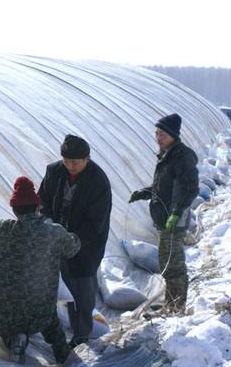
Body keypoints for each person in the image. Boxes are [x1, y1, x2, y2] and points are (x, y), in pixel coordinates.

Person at [0, 176, 81, 364]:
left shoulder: (6, 229)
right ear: (38, 207)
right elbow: (73, 247)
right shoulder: (54, 232)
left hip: (8, 312)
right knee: (52, 325)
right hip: (42, 311)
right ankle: (64, 354)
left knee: (8, 321)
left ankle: (16, 340)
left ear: (14, 209)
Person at [38, 134, 112, 347]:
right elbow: (42, 199)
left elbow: (96, 222)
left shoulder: (98, 180)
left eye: (75, 162)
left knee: (82, 286)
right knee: (64, 284)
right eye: (67, 161)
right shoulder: (54, 172)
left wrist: (72, 239)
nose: (70, 166)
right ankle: (63, 328)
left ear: (87, 159)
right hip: (56, 238)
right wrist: (49, 221)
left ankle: (81, 334)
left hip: (86, 243)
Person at [128, 113, 198, 313]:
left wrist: (176, 213)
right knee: (166, 262)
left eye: (163, 135)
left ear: (174, 135)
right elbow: (164, 187)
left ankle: (176, 307)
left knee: (173, 264)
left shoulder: (182, 157)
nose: (159, 138)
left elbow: (190, 187)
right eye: (157, 133)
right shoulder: (167, 155)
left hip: (174, 219)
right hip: (164, 218)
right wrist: (145, 192)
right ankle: (171, 302)